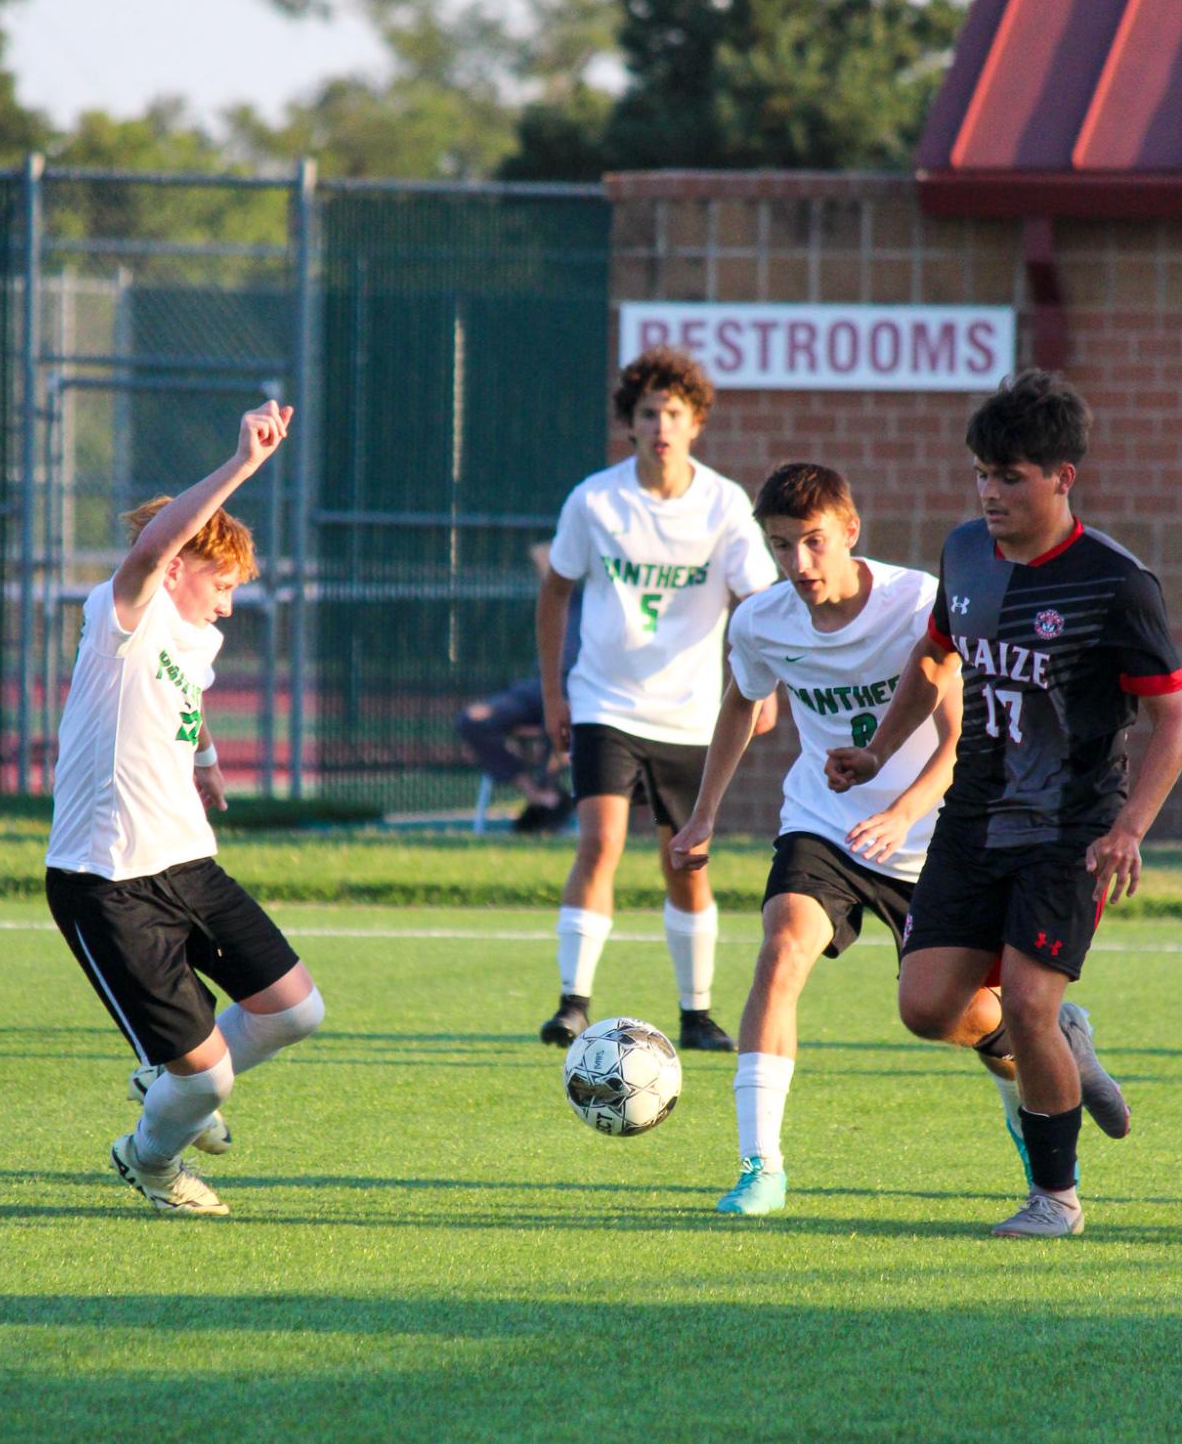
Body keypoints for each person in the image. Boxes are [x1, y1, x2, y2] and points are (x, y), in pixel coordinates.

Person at [827, 369, 1182, 1238]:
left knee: (1024, 1000)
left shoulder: (1116, 582)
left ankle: (1056, 1199)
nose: (991, 493)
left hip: (1069, 830)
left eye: (1012, 476)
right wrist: (879, 749)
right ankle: (1065, 1038)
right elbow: (932, 659)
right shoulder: (962, 555)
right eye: (983, 475)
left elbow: (1175, 721)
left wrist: (1129, 828)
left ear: (1063, 477)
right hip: (973, 817)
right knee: (926, 1007)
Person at [669, 460, 1086, 1216]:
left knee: (954, 1013)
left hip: (936, 837)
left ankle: (1032, 1060)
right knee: (781, 945)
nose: (798, 564)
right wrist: (703, 814)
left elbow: (959, 734)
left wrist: (902, 813)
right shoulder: (762, 619)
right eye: (780, 546)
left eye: (813, 542)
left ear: (850, 531)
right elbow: (741, 703)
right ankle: (761, 1165)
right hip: (824, 826)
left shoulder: (916, 603)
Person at [45, 400, 324, 1217]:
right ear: (176, 567)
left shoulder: (195, 638)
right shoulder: (123, 612)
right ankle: (150, 1156)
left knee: (295, 1009)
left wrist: (203, 763)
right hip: (107, 881)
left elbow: (190, 697)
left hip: (186, 863)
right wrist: (242, 464)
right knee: (209, 1078)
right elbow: (155, 544)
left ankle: (164, 1079)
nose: (231, 604)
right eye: (224, 583)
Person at [536, 346, 778, 1052]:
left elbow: (759, 600)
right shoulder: (595, 499)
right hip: (604, 701)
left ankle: (696, 1012)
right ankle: (572, 1002)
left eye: (674, 412)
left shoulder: (725, 504)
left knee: (685, 858)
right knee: (600, 841)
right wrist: (555, 692)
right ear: (630, 424)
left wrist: (765, 686)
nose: (661, 425)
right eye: (648, 413)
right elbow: (556, 591)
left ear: (696, 422)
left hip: (693, 710)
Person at [456, 543, 579, 834]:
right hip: (537, 687)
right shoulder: (570, 598)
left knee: (566, 724)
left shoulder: (617, 603)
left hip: (580, 692)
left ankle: (548, 798)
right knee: (472, 720)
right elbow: (540, 553)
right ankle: (537, 795)